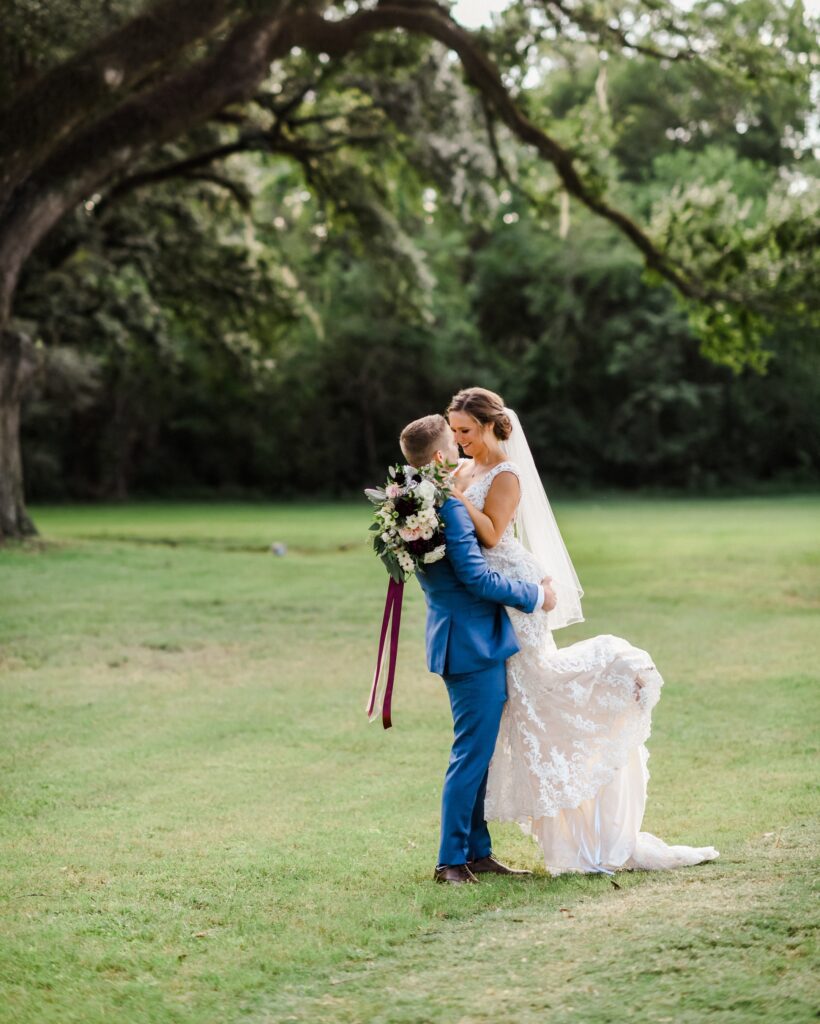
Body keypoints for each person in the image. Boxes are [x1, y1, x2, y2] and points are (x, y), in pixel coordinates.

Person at [447, 387, 719, 875]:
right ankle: (484, 847)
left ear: (489, 425)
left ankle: (618, 671)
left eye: (465, 430)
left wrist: (452, 500)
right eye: (454, 431)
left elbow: (490, 531)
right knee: (523, 703)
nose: (458, 440)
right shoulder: (462, 470)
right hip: (491, 594)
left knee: (538, 685)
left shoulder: (506, 474)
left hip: (516, 590)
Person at [398, 414, 556, 885]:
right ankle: (451, 861)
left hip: (456, 634)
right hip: (470, 643)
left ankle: (478, 852)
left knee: (479, 751)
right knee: (471, 753)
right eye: (455, 440)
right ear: (441, 457)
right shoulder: (443, 505)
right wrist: (536, 596)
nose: (464, 447)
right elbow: (476, 577)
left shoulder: (410, 501)